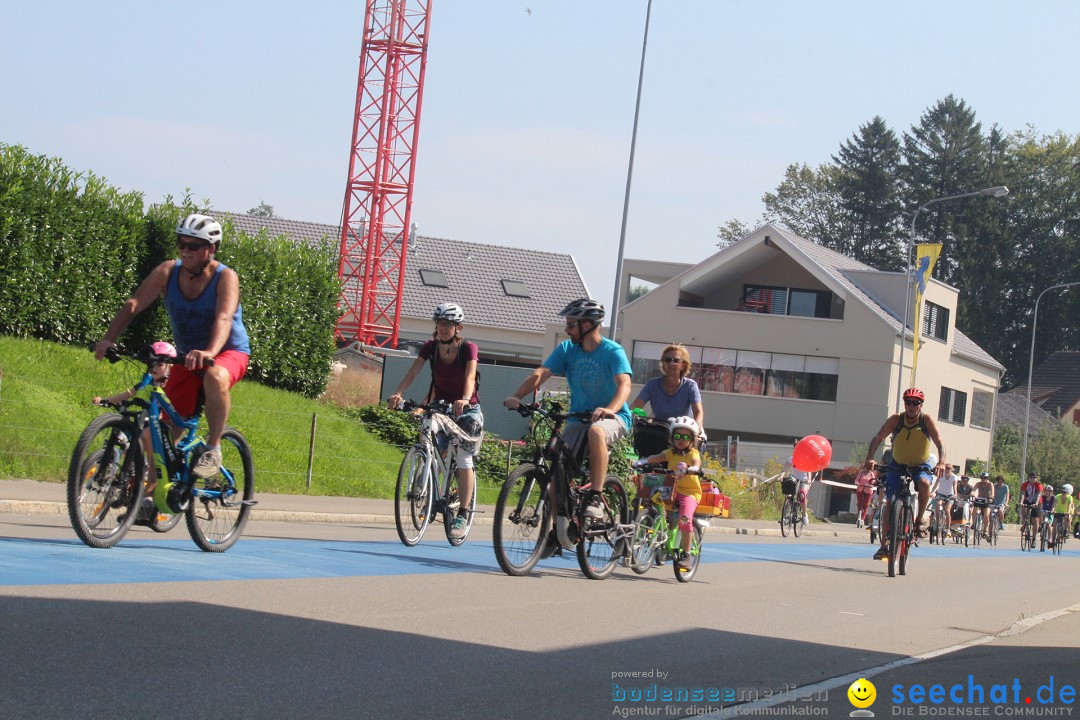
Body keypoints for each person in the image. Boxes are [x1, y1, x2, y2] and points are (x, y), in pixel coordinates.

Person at [94, 214, 250, 479]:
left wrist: (210, 352)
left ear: (210, 249)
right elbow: (134, 304)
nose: (185, 250)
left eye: (193, 246)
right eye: (181, 243)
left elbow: (224, 318)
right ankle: (151, 498)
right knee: (162, 435)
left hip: (226, 352)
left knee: (214, 376)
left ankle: (213, 447)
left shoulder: (226, 278)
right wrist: (108, 338)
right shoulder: (168, 272)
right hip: (187, 357)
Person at [504, 298, 632, 524]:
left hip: (615, 416)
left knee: (597, 431)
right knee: (557, 473)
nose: (566, 329)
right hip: (578, 416)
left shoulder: (613, 351)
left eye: (571, 325)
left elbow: (624, 385)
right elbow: (540, 374)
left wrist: (609, 409)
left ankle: (596, 497)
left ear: (588, 325)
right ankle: (556, 532)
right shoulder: (567, 349)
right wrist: (517, 396)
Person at [388, 303, 482, 538]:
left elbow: (470, 376)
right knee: (431, 442)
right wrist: (398, 393)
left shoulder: (468, 348)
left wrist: (463, 399)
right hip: (440, 406)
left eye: (448, 324)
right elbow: (412, 373)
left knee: (463, 458)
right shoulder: (430, 347)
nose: (443, 328)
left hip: (466, 409)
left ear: (458, 327)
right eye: (440, 323)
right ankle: (428, 493)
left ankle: (462, 512)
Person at [862, 387, 947, 561]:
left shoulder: (926, 420)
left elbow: (939, 441)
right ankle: (884, 546)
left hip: (920, 464)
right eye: (908, 402)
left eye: (915, 403)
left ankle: (918, 520)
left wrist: (941, 461)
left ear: (920, 405)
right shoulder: (896, 419)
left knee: (924, 483)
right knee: (889, 502)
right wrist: (870, 458)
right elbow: (878, 437)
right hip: (898, 464)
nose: (911, 406)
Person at [632, 416, 702, 570]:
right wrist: (642, 462)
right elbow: (656, 457)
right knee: (659, 506)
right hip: (672, 489)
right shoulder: (671, 453)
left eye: (685, 437)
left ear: (692, 439)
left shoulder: (692, 454)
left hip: (690, 493)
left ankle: (687, 554)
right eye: (677, 436)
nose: (681, 440)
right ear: (672, 437)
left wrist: (694, 468)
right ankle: (663, 541)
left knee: (684, 519)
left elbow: (697, 462)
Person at [629, 344, 704, 429]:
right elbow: (634, 407)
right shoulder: (652, 385)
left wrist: (697, 428)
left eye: (676, 360)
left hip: (682, 433)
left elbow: (698, 412)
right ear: (663, 363)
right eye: (668, 360)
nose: (671, 363)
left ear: (683, 365)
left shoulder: (690, 385)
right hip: (659, 432)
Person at [782, 441, 813, 526]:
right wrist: (781, 475)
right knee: (789, 494)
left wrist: (809, 479)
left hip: (804, 480)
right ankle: (786, 515)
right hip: (795, 478)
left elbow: (809, 470)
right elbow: (785, 468)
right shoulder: (792, 458)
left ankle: (804, 515)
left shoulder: (806, 458)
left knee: (802, 494)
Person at [929, 463, 958, 537]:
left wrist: (955, 495)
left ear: (951, 469)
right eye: (946, 468)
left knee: (947, 510)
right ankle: (937, 520)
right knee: (938, 504)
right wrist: (932, 492)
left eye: (949, 468)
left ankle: (948, 529)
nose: (947, 470)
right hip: (940, 494)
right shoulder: (941, 475)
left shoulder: (954, 477)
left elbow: (955, 486)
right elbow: (936, 484)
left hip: (950, 495)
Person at [1019, 471, 1043, 543]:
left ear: (1036, 479)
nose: (1032, 479)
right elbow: (1023, 494)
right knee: (1023, 509)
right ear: (1028, 478)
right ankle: (1024, 523)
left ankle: (1034, 539)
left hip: (1037, 502)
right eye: (1031, 478)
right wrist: (1021, 502)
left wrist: (1036, 504)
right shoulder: (1025, 484)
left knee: (1035, 519)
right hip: (1027, 500)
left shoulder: (1038, 485)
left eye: (1034, 478)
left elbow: (1038, 495)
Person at [854, 460, 877, 528]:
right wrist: (857, 483)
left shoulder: (871, 474)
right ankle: (859, 516)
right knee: (860, 504)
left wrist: (871, 484)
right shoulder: (861, 473)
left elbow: (873, 480)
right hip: (860, 490)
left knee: (865, 505)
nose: (865, 468)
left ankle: (862, 519)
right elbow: (856, 480)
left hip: (868, 491)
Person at [1050, 483, 1074, 548]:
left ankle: (1066, 531)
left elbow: (1069, 506)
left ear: (1067, 493)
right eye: (1062, 492)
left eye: (1065, 492)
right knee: (1054, 525)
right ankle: (1052, 541)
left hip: (1065, 512)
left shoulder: (1069, 498)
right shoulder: (1058, 496)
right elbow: (1054, 504)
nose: (1063, 494)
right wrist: (1053, 510)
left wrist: (1068, 512)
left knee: (1067, 517)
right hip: (1058, 512)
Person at [972, 472, 994, 539]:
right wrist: (972, 494)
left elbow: (992, 494)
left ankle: (984, 530)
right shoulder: (978, 484)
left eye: (985, 478)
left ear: (987, 478)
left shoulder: (990, 484)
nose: (983, 479)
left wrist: (991, 497)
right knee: (974, 510)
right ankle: (974, 523)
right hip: (979, 499)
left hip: (987, 500)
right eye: (982, 478)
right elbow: (973, 490)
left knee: (986, 515)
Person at [1037, 483, 1056, 550]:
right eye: (1046, 491)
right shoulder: (1043, 497)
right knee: (1041, 514)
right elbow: (1040, 504)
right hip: (1044, 511)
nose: (1047, 492)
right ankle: (1040, 527)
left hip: (1050, 512)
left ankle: (1050, 539)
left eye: (1049, 491)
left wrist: (1053, 510)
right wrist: (1040, 509)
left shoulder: (1053, 498)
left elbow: (1054, 505)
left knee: (1049, 525)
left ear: (1051, 492)